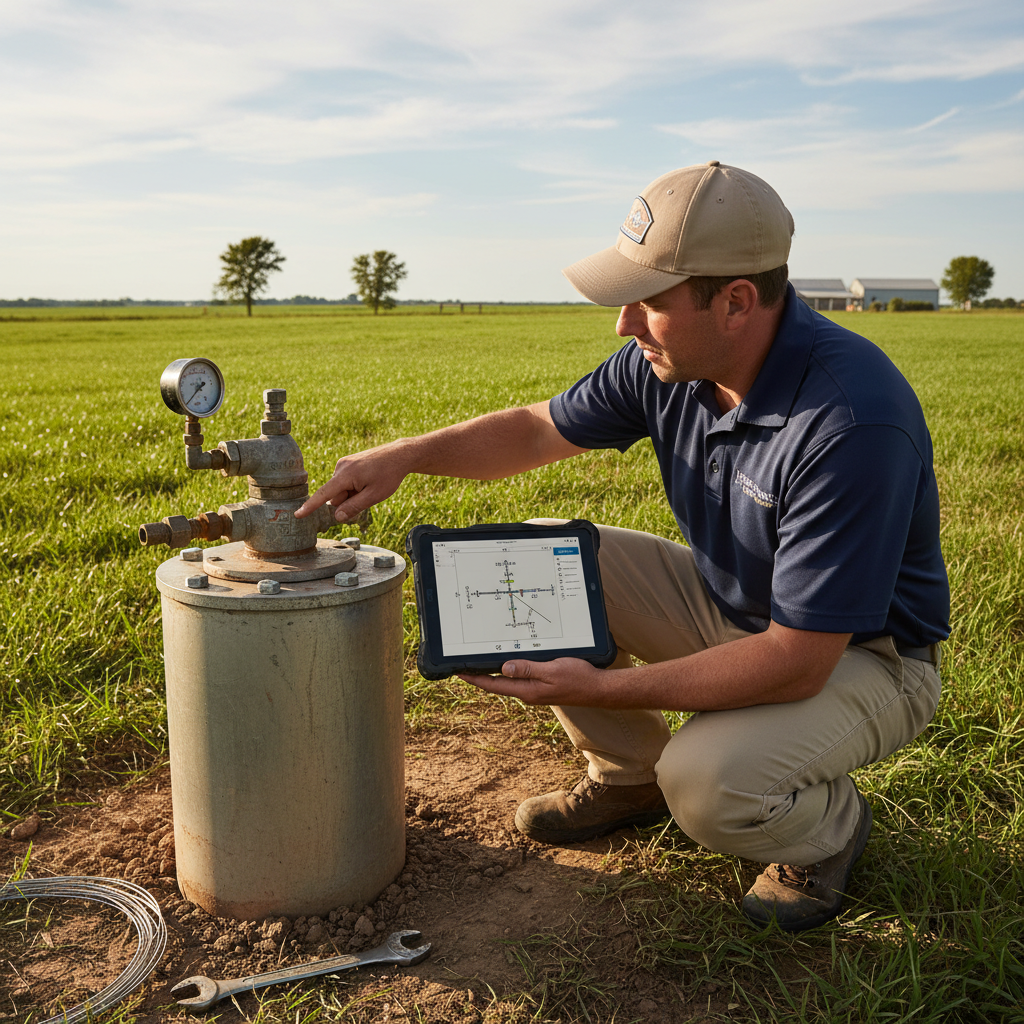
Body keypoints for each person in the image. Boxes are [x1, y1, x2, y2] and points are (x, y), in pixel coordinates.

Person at [295, 161, 949, 931]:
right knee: (548, 554)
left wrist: (594, 686)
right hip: (737, 604)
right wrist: (404, 454)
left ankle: (826, 833)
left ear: (736, 301)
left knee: (707, 782)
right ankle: (627, 778)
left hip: (862, 655)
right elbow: (537, 427)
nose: (624, 324)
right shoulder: (670, 365)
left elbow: (797, 660)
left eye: (648, 301)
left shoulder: (849, 422)